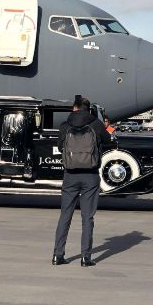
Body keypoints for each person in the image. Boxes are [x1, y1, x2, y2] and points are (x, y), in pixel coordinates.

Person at [53, 97, 113, 267]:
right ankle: (86, 258)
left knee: (65, 215)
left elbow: (59, 147)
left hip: (70, 175)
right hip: (90, 176)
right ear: (89, 109)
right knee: (87, 217)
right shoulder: (96, 124)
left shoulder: (65, 125)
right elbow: (108, 141)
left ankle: (58, 255)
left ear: (74, 108)